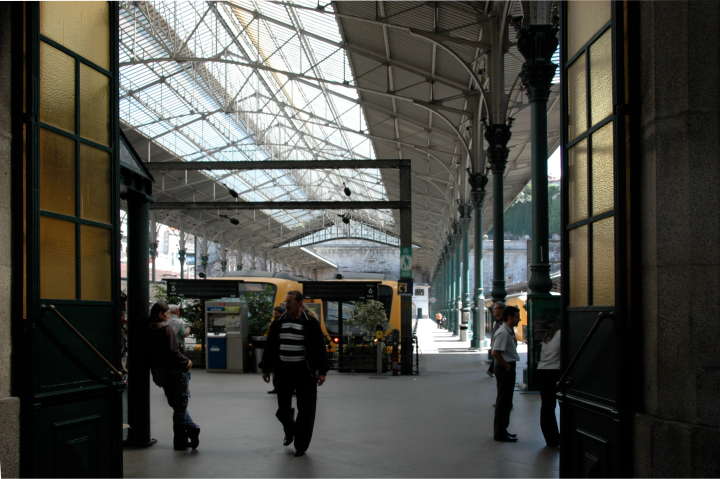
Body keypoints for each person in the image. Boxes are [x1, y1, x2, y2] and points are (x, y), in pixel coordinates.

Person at [260, 291, 328, 457]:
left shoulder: (310, 323)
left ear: (299, 303)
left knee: (306, 410)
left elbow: (319, 348)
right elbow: (270, 346)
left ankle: (301, 445)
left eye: (289, 301)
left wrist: (322, 371)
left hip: (305, 372)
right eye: (286, 301)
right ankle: (290, 430)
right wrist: (266, 368)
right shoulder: (279, 322)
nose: (286, 304)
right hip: (283, 372)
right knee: (283, 409)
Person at [147, 302, 200, 451]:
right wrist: (187, 362)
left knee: (175, 404)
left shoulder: (147, 328)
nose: (169, 315)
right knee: (180, 406)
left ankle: (191, 431)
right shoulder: (166, 329)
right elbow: (173, 351)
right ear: (161, 314)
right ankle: (181, 440)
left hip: (159, 373)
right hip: (175, 372)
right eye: (167, 313)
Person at [492, 305, 520, 442]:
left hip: (505, 367)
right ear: (509, 317)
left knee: (506, 401)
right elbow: (495, 353)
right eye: (517, 317)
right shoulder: (504, 332)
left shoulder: (508, 330)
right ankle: (500, 433)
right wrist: (507, 366)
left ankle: (503, 430)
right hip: (505, 369)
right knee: (503, 401)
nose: (519, 320)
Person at [537, 320, 561, 447]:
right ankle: (554, 438)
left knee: (546, 406)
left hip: (542, 371)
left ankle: (550, 437)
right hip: (553, 372)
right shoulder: (562, 334)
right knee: (551, 406)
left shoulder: (548, 336)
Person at [266, 305, 286, 395]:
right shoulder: (275, 322)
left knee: (279, 372)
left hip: (279, 350)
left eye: (276, 312)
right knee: (275, 372)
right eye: (274, 312)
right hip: (275, 351)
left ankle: (281, 388)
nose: (274, 314)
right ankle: (276, 388)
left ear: (281, 313)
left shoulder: (280, 322)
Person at [486, 301, 506, 377]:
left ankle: (490, 371)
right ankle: (491, 371)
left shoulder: (497, 323)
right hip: (497, 345)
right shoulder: (499, 324)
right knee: (497, 357)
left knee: (496, 358)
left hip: (495, 344)